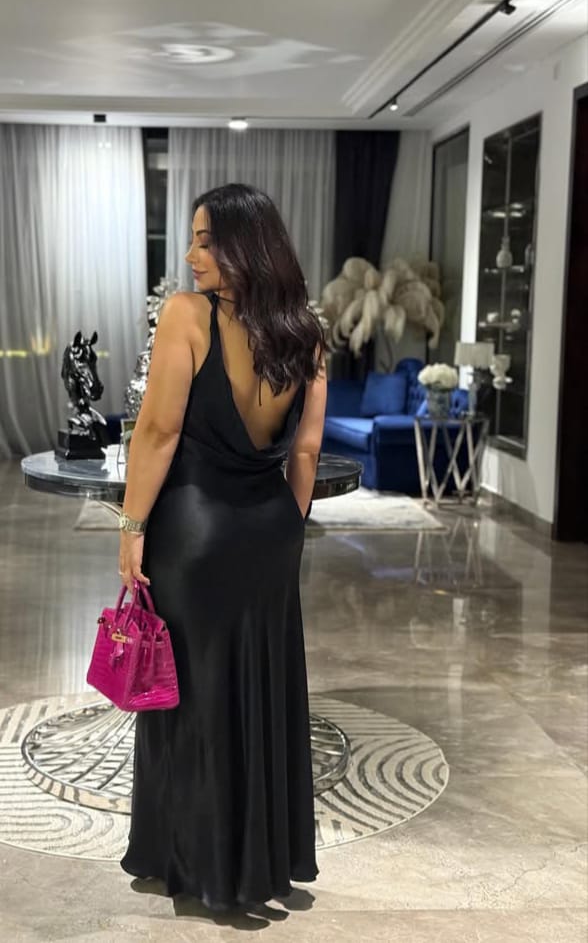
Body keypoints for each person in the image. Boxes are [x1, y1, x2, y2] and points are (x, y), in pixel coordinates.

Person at [117, 183, 327, 913]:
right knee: (262, 692)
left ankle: (194, 862)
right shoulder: (306, 331)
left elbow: (157, 431)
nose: (191, 255)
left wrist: (131, 525)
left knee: (190, 697)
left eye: (206, 240)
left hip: (194, 533)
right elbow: (305, 451)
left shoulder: (187, 314)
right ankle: (259, 864)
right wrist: (284, 527)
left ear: (245, 244)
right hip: (271, 533)